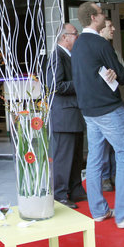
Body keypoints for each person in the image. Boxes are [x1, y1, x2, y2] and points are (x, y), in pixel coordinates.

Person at [71, 1, 124, 229]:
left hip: (89, 112)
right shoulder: (100, 43)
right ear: (93, 17)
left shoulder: (77, 45)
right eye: (101, 13)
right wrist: (115, 74)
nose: (104, 16)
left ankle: (98, 211)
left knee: (96, 160)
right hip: (108, 109)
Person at [46, 23, 87, 209]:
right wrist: (81, 83)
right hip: (64, 116)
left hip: (74, 113)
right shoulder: (57, 56)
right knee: (63, 158)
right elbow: (56, 85)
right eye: (75, 34)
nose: (77, 37)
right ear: (64, 37)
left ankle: (76, 189)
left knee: (76, 156)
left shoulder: (70, 55)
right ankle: (60, 195)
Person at [99, 18, 124, 192]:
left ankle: (114, 175)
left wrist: (118, 76)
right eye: (109, 26)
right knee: (104, 143)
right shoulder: (96, 50)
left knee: (117, 143)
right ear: (100, 29)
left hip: (119, 100)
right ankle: (105, 177)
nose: (113, 29)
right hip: (104, 103)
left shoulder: (114, 50)